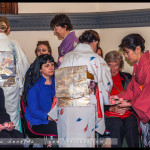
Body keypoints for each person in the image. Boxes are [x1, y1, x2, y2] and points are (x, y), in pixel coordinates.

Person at [48, 30, 113, 147]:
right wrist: (105, 98)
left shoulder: (67, 57)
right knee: (83, 139)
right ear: (95, 42)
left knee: (67, 137)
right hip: (84, 106)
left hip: (65, 106)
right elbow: (107, 83)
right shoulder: (96, 59)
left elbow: (59, 82)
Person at [110, 33, 150, 147]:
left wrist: (130, 104)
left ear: (137, 49)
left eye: (127, 52)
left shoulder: (148, 65)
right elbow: (133, 87)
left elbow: (147, 92)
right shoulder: (138, 64)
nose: (126, 56)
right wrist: (118, 96)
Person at [104, 50, 139, 147]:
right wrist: (110, 108)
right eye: (109, 65)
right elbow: (97, 102)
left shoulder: (127, 77)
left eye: (115, 65)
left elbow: (136, 97)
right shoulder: (101, 79)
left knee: (131, 123)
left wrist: (128, 107)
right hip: (109, 113)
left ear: (120, 66)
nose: (112, 68)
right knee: (116, 123)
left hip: (127, 111)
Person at [0, 16, 29, 131]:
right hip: (10, 85)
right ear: (8, 29)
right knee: (12, 119)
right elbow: (24, 66)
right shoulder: (13, 44)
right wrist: (21, 87)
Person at [23, 54, 58, 136]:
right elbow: (33, 110)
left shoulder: (56, 82)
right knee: (60, 129)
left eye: (52, 64)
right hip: (38, 121)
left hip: (54, 118)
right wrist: (48, 117)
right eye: (47, 66)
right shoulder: (33, 86)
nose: (51, 67)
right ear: (40, 69)